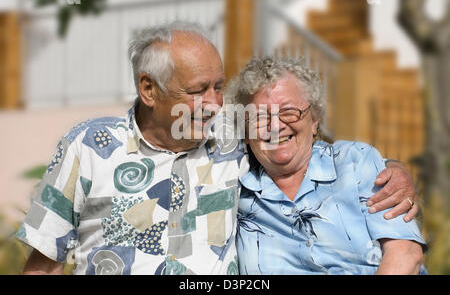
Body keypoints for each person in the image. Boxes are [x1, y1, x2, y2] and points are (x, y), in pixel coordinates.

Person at [17, 21, 419, 275]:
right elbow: (46, 261)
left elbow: (297, 140)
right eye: (197, 91)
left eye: (218, 86)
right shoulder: (88, 146)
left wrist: (396, 170)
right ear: (148, 89)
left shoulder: (231, 139)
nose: (214, 103)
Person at [225, 56, 427, 275]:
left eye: (289, 112)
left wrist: (396, 167)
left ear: (314, 120)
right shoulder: (235, 192)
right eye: (260, 117)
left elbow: (405, 255)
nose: (275, 126)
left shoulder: (355, 163)